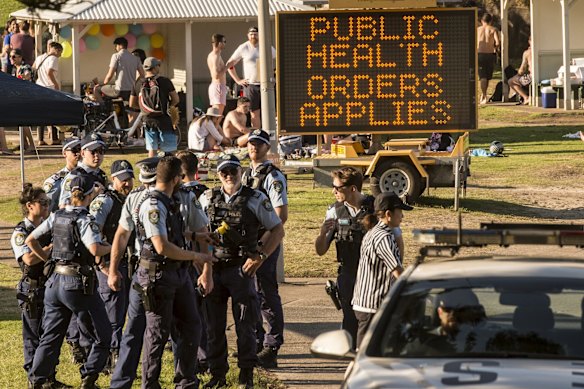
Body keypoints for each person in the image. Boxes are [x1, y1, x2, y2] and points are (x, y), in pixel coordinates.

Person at [200, 154, 285, 388]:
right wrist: (203, 266)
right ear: (218, 174)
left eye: (233, 171)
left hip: (241, 269)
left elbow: (277, 230)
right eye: (224, 172)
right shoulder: (206, 198)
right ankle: (218, 376)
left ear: (241, 172)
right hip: (215, 267)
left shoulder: (255, 198)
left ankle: (246, 375)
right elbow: (196, 232)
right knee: (214, 327)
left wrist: (260, 256)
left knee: (246, 325)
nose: (228, 175)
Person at [26, 175, 112, 389]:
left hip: (54, 282)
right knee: (103, 334)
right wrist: (111, 247)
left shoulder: (57, 215)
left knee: (51, 336)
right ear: (91, 194)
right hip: (77, 284)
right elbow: (94, 249)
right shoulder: (85, 219)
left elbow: (31, 240)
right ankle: (89, 377)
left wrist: (49, 258)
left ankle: (37, 380)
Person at [135, 156, 214, 387]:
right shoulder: (153, 205)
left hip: (177, 275)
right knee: (157, 334)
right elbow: (161, 246)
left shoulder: (169, 200)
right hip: (158, 276)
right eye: (181, 176)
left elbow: (172, 234)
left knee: (192, 325)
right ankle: (149, 384)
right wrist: (196, 255)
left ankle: (186, 381)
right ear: (175, 178)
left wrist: (194, 237)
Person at [11, 184, 71, 389]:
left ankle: (49, 377)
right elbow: (27, 258)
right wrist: (49, 248)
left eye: (49, 203)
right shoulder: (21, 231)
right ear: (29, 205)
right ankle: (34, 379)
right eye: (43, 203)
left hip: (52, 287)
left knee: (51, 336)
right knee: (33, 336)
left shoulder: (49, 226)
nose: (47, 206)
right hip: (33, 290)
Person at [314, 167, 375, 349]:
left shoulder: (375, 207)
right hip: (347, 272)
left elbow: (395, 238)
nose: (334, 191)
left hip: (371, 273)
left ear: (353, 189)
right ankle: (350, 353)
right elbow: (320, 250)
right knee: (349, 315)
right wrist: (322, 233)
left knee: (371, 315)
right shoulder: (334, 211)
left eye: (337, 188)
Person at [241, 129, 288, 368]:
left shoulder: (273, 176)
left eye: (258, 144)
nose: (254, 148)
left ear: (267, 147)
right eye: (250, 143)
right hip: (247, 242)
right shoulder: (246, 173)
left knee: (266, 294)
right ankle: (257, 341)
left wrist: (263, 248)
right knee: (251, 294)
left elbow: (281, 216)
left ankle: (272, 346)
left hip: (265, 241)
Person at [89, 160, 135, 373]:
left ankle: (117, 354)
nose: (127, 183)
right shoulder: (105, 201)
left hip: (128, 264)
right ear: (113, 179)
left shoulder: (131, 199)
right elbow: (92, 232)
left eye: (129, 178)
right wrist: (101, 264)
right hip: (108, 266)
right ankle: (111, 356)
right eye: (123, 179)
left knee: (124, 312)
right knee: (113, 315)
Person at [352, 192, 412, 348]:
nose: (403, 216)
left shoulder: (375, 233)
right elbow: (397, 271)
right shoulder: (383, 237)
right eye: (400, 212)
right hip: (373, 305)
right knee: (366, 352)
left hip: (369, 303)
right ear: (388, 214)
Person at [227, 26, 276, 129]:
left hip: (266, 84)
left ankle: (272, 138)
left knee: (271, 112)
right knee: (254, 113)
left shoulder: (266, 46)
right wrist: (238, 80)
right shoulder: (243, 47)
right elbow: (230, 64)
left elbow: (278, 58)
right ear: (247, 35)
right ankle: (258, 137)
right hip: (251, 85)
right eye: (251, 34)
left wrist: (275, 75)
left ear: (259, 35)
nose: (253, 36)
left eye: (255, 34)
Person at [129, 57, 179, 157]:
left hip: (147, 120)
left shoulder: (138, 83)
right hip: (164, 119)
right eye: (158, 65)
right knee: (170, 151)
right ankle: (171, 171)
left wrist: (145, 109)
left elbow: (132, 104)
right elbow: (176, 99)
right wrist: (169, 106)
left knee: (152, 150)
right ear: (155, 67)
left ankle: (151, 170)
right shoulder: (165, 81)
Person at [59, 134, 108, 208]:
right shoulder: (74, 177)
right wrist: (92, 195)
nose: (97, 155)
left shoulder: (101, 174)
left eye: (101, 151)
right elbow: (64, 207)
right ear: (82, 153)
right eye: (93, 151)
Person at [94, 37, 144, 102]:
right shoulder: (136, 58)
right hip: (131, 91)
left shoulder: (116, 56)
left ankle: (103, 110)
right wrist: (135, 83)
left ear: (120, 45)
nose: (115, 48)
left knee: (97, 89)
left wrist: (103, 84)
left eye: (116, 45)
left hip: (119, 90)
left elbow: (110, 75)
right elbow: (142, 75)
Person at [33, 41, 63, 145]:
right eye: (60, 53)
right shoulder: (53, 58)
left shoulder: (40, 58)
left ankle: (40, 139)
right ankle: (54, 138)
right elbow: (50, 72)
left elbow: (33, 68)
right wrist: (56, 84)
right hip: (49, 88)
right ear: (57, 50)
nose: (60, 56)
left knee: (41, 114)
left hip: (39, 87)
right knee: (53, 114)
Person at [43, 137, 82, 213]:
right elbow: (47, 210)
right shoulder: (56, 181)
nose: (78, 154)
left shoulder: (92, 175)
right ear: (64, 153)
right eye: (74, 150)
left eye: (80, 150)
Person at [9, 48, 35, 153]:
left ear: (20, 57)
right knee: (20, 122)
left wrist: (21, 77)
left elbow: (28, 75)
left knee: (24, 122)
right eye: (10, 56)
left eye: (14, 56)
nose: (12, 59)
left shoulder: (25, 67)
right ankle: (24, 144)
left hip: (26, 97)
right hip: (17, 98)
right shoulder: (14, 69)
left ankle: (32, 146)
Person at [477, 13, 500, 105]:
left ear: (482, 21)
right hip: (490, 54)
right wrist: (494, 47)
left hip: (480, 54)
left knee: (482, 76)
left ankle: (484, 95)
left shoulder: (477, 30)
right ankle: (484, 95)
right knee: (487, 76)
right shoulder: (493, 29)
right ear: (491, 21)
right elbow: (497, 42)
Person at [207, 33, 228, 115]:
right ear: (219, 43)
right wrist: (227, 67)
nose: (225, 43)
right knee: (217, 115)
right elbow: (215, 75)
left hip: (217, 86)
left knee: (217, 115)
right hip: (218, 86)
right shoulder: (215, 56)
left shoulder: (213, 55)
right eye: (224, 41)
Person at [508, 36, 532, 105]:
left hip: (532, 77)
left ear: (529, 42)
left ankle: (526, 97)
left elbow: (522, 69)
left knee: (511, 81)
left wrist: (517, 75)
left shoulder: (527, 53)